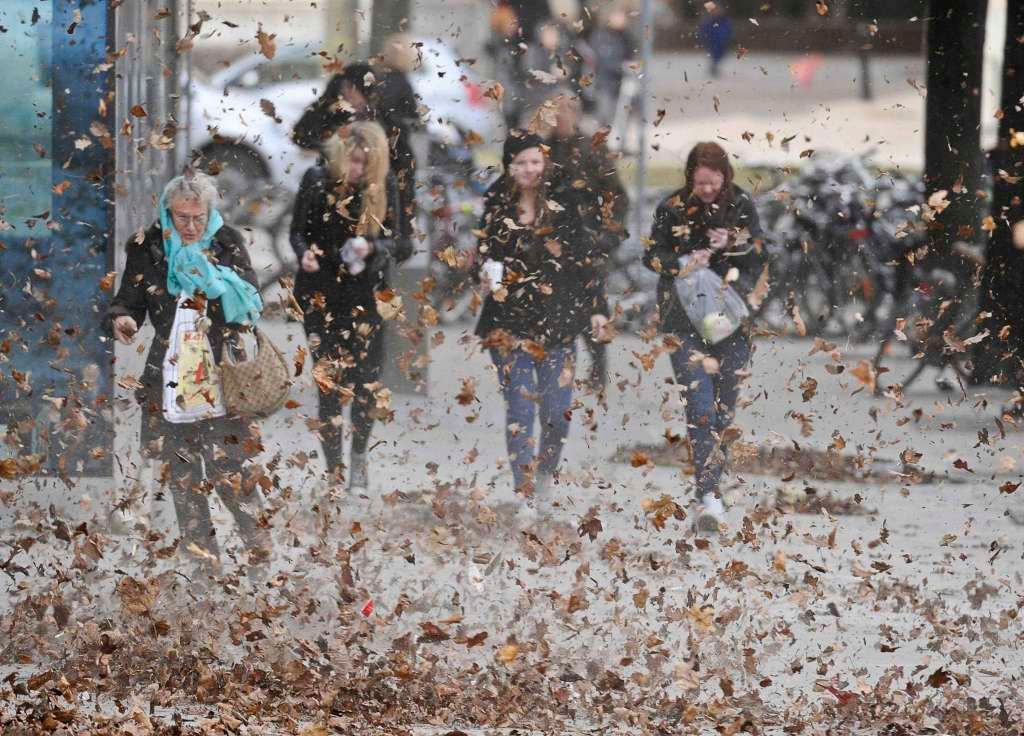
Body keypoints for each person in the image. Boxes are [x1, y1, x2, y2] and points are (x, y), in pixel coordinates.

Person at [109, 171, 269, 568]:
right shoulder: (147, 247)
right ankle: (203, 557)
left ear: (210, 213)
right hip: (169, 374)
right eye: (183, 218)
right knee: (182, 473)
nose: (192, 226)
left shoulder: (226, 241)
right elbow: (128, 299)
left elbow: (251, 297)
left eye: (199, 218)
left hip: (220, 369)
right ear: (168, 213)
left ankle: (256, 542)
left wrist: (216, 280)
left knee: (226, 465)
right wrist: (122, 319)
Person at [474, 130, 611, 518]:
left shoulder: (565, 202)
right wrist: (482, 276)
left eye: (536, 161)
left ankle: (546, 473)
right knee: (520, 409)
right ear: (509, 166)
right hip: (509, 326)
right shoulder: (495, 203)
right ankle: (524, 493)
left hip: (559, 324)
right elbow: (482, 256)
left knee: (555, 413)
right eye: (521, 163)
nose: (529, 169)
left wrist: (598, 308)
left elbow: (588, 260)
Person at [643, 142, 768, 533]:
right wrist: (682, 260)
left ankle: (712, 480)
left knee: (724, 410)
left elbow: (762, 255)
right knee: (700, 408)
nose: (708, 190)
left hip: (731, 319)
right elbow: (650, 256)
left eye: (713, 183)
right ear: (689, 178)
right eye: (700, 183)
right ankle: (708, 495)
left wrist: (732, 244)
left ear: (725, 177)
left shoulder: (742, 205)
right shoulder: (671, 207)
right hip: (683, 321)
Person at [290, 121, 413, 491]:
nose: (356, 170)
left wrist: (373, 247)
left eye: (364, 163)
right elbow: (297, 231)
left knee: (366, 383)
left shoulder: (384, 187)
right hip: (320, 293)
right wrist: (304, 254)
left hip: (368, 297)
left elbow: (403, 243)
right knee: (329, 387)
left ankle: (358, 457)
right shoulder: (315, 181)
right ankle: (333, 470)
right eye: (351, 161)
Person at [539, 92, 629, 392]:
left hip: (589, 239)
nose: (558, 120)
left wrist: (608, 234)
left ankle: (598, 362)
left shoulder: (592, 149)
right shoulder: (544, 150)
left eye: (563, 113)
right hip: (554, 241)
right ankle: (557, 361)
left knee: (593, 303)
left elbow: (616, 195)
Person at [291, 61, 417, 237]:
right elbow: (301, 133)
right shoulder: (334, 110)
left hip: (375, 194)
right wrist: (330, 149)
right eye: (344, 89)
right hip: (337, 193)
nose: (347, 94)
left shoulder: (383, 118)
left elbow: (404, 164)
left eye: (352, 89)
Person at [588, 5, 635, 127]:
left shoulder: (626, 37)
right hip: (605, 84)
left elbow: (631, 56)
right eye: (618, 16)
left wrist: (630, 66)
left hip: (622, 83)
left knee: (622, 118)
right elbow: (601, 61)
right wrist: (622, 66)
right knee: (604, 117)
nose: (622, 19)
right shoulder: (600, 36)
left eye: (623, 16)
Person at [697, 4, 733, 78]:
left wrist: (728, 37)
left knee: (720, 55)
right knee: (715, 55)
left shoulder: (724, 21)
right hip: (713, 41)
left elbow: (729, 30)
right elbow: (703, 30)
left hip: (722, 41)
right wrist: (704, 38)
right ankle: (714, 67)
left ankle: (715, 66)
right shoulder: (709, 21)